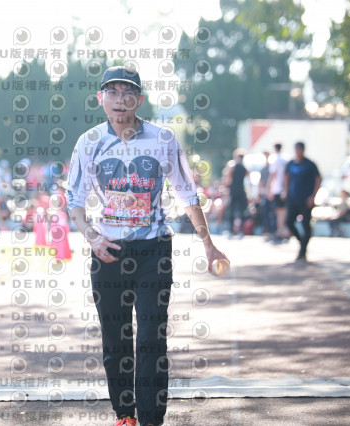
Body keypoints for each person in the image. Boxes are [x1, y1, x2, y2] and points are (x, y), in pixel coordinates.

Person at [65, 66, 228, 426]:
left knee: (152, 337)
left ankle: (152, 419)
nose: (120, 100)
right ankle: (125, 415)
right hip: (108, 252)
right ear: (100, 99)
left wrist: (208, 244)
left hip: (154, 251)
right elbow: (74, 199)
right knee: (116, 340)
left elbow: (187, 194)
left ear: (139, 100)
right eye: (112, 92)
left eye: (128, 94)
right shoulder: (89, 142)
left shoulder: (163, 139)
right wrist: (91, 236)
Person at [283, 142, 321, 261]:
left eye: (300, 149)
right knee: (289, 221)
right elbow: (286, 177)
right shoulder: (291, 164)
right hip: (293, 198)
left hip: (306, 199)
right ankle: (301, 240)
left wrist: (313, 196)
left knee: (305, 224)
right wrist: (286, 191)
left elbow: (318, 179)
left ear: (303, 150)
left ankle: (303, 250)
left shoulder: (310, 164)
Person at [224, 149, 249, 238]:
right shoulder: (244, 167)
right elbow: (248, 179)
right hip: (241, 190)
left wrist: (226, 186)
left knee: (231, 210)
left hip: (233, 190)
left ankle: (231, 230)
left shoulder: (232, 166)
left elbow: (228, 178)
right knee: (241, 211)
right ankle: (240, 231)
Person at [267, 142, 289, 242]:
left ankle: (280, 232)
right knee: (283, 212)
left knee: (279, 212)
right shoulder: (286, 159)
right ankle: (284, 231)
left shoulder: (275, 159)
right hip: (284, 189)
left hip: (277, 189)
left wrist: (268, 188)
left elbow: (273, 174)